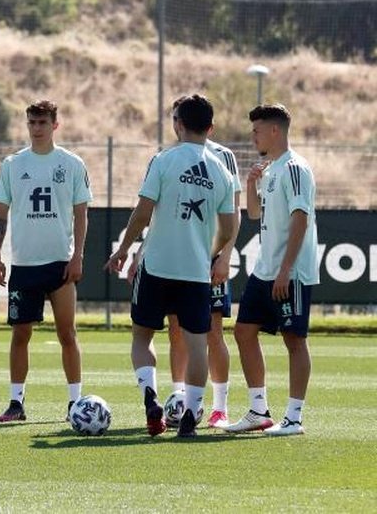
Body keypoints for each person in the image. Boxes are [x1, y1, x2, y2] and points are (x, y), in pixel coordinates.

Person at [105, 94, 237, 438]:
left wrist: (123, 250)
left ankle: (150, 398)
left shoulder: (163, 161)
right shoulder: (222, 170)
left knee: (141, 336)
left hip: (156, 266)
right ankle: (191, 413)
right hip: (195, 272)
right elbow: (229, 226)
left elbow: (143, 212)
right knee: (198, 344)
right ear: (210, 127)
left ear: (178, 123)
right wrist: (209, 252)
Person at [0, 99, 91, 424]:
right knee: (21, 334)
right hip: (24, 265)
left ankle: (75, 403)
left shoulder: (72, 164)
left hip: (59, 264)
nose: (36, 129)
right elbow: (1, 213)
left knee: (67, 333)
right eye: (32, 123)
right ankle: (16, 403)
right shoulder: (13, 165)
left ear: (55, 126)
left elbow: (81, 214)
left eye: (43, 123)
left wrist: (78, 256)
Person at [224, 104, 318, 437]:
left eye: (257, 130)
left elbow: (301, 218)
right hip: (265, 270)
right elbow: (253, 214)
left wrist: (286, 269)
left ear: (274, 131)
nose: (253, 136)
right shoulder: (272, 168)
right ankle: (258, 410)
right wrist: (251, 184)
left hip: (288, 273)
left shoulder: (295, 168)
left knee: (294, 340)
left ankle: (294, 417)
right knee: (243, 331)